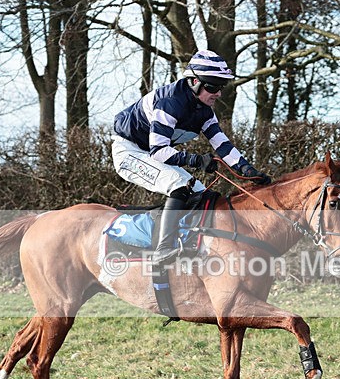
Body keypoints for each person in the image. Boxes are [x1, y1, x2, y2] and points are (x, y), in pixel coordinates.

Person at [112, 49, 271, 267]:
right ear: (195, 82)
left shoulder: (204, 111)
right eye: (213, 87)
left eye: (221, 87)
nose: (218, 94)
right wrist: (196, 160)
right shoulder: (170, 102)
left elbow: (223, 145)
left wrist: (248, 170)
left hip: (149, 153)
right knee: (179, 185)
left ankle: (188, 246)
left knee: (201, 194)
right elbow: (159, 151)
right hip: (129, 152)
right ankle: (162, 249)